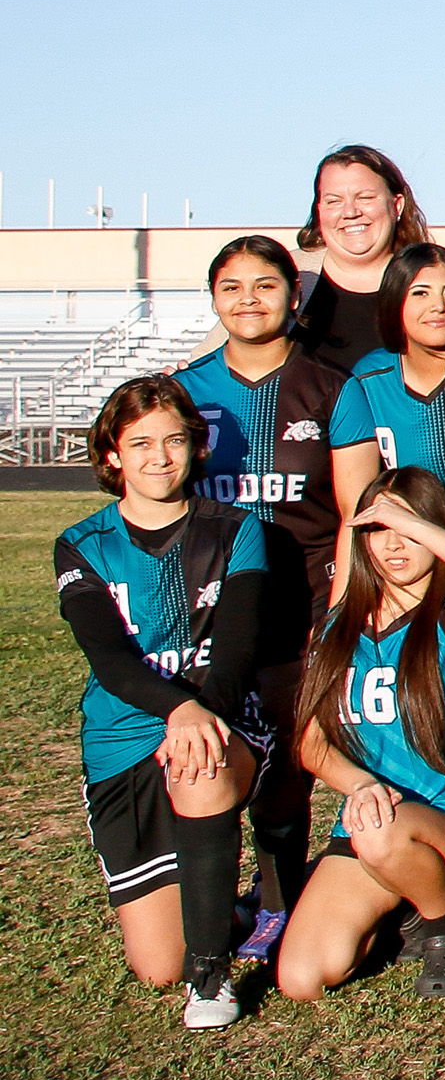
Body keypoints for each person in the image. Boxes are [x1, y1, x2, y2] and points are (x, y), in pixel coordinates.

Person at [54, 377, 267, 1027]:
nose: (159, 456)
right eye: (140, 442)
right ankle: (220, 912)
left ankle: (210, 978)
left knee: (198, 764)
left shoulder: (236, 530)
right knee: (155, 964)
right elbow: (110, 661)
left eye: (174, 440)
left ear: (195, 449)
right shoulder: (81, 543)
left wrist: (201, 712)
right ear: (113, 454)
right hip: (125, 736)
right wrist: (176, 708)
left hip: (220, 723)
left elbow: (235, 652)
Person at [278, 472, 445, 1004]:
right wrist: (359, 783)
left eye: (409, 529)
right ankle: (405, 902)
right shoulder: (336, 628)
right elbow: (312, 745)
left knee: (380, 836)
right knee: (302, 978)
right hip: (373, 821)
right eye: (378, 529)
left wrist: (410, 523)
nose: (393, 545)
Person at [175, 237, 345, 958]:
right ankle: (203, 890)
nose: (249, 299)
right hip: (207, 611)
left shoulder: (331, 386)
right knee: (204, 749)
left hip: (300, 605)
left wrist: (335, 610)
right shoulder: (185, 390)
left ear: (293, 295)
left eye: (265, 285)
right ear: (213, 297)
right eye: (232, 286)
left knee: (289, 756)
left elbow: (353, 508)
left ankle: (279, 896)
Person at [331, 245, 445, 557]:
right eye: (420, 293)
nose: (438, 306)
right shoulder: (366, 380)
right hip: (409, 559)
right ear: (394, 301)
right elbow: (357, 507)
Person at [291, 144, 431, 375]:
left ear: (397, 206)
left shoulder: (433, 277)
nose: (350, 212)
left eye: (365, 197)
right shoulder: (285, 276)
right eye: (333, 201)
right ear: (319, 210)